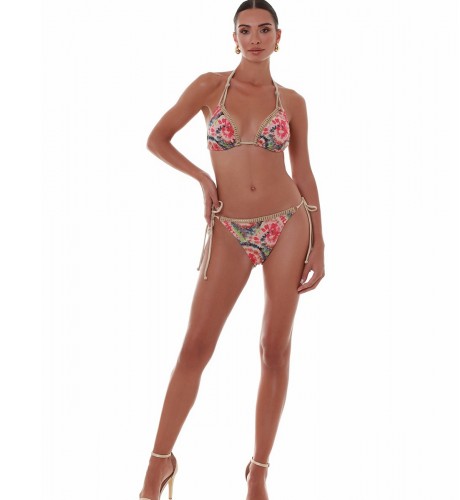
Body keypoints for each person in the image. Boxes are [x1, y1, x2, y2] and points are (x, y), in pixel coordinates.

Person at [138, 1, 325, 499]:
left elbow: (303, 172)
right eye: (245, 30)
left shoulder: (293, 101)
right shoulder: (209, 86)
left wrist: (319, 241)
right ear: (234, 37)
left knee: (274, 348)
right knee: (196, 346)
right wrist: (202, 178)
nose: (255, 38)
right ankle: (158, 464)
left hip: (288, 223)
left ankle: (258, 471)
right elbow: (157, 139)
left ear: (279, 38)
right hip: (228, 228)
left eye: (264, 30)